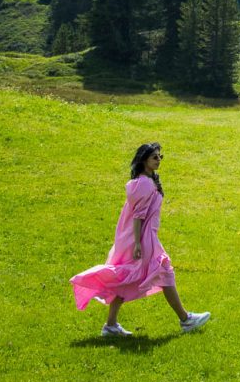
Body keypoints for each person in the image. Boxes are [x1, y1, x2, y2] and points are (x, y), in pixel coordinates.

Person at [71, 143, 211, 336]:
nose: (158, 160)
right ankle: (186, 319)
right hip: (143, 238)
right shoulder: (144, 184)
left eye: (160, 156)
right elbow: (138, 216)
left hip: (143, 237)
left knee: (127, 278)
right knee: (164, 271)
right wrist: (137, 243)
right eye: (154, 157)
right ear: (144, 160)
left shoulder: (146, 181)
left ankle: (111, 326)